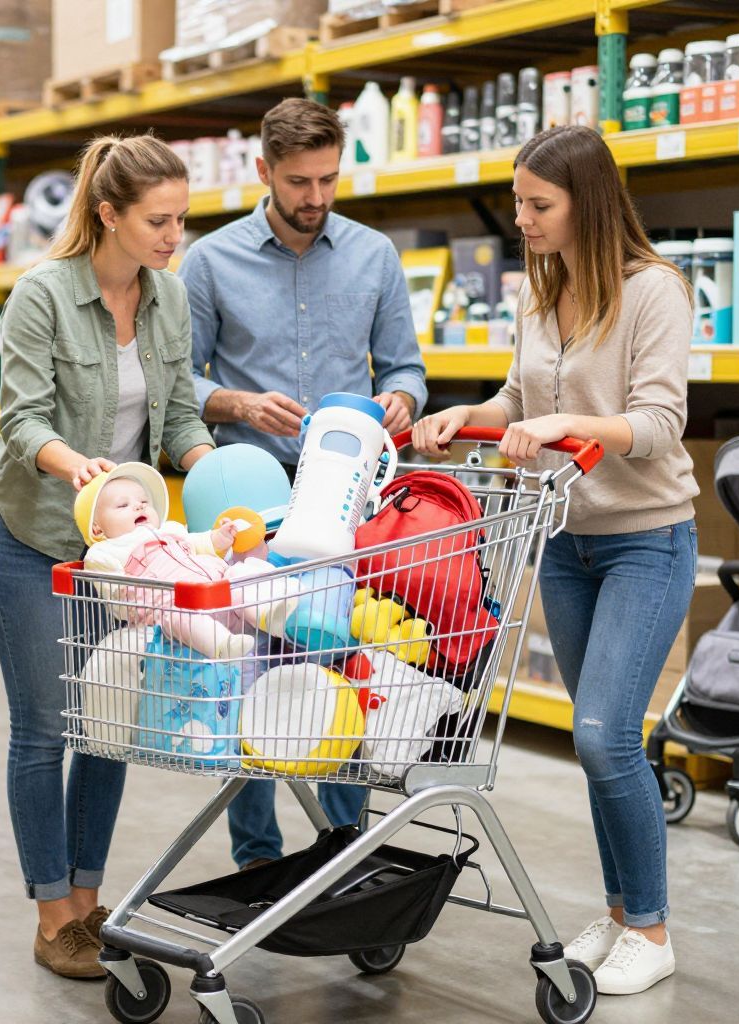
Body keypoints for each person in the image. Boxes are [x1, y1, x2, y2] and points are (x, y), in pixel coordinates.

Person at [410, 124, 696, 997]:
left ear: (589, 203)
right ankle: (617, 915)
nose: (522, 219)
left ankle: (650, 927)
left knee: (606, 732)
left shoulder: (655, 291)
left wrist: (568, 427)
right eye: (519, 202)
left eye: (539, 205)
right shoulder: (542, 291)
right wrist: (471, 416)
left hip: (647, 541)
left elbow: (657, 425)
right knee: (600, 745)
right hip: (565, 545)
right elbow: (521, 397)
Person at [0, 134, 215, 980]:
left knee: (109, 728)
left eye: (181, 219)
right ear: (108, 213)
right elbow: (20, 419)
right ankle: (53, 915)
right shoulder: (42, 294)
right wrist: (72, 462)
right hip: (34, 537)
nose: (173, 235)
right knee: (44, 729)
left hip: (123, 554)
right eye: (158, 220)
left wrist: (215, 469)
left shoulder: (170, 299)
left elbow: (178, 415)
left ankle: (88, 896)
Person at [178, 97, 428, 870]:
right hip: (248, 495)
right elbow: (175, 383)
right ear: (262, 172)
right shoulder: (211, 262)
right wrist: (237, 402)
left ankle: (348, 846)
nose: (315, 197)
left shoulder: (373, 255)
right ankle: (258, 855)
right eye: (297, 182)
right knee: (250, 667)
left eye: (326, 179)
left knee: (344, 657)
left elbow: (408, 366)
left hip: (349, 493)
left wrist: (401, 401)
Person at [79, 464, 297, 659]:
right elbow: (114, 596)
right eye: (122, 505)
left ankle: (269, 614)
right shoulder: (105, 551)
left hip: (219, 592)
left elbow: (199, 542)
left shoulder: (169, 530)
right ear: (97, 528)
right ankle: (221, 644)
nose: (139, 506)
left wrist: (218, 538)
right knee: (176, 613)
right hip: (180, 609)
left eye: (144, 501)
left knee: (240, 571)